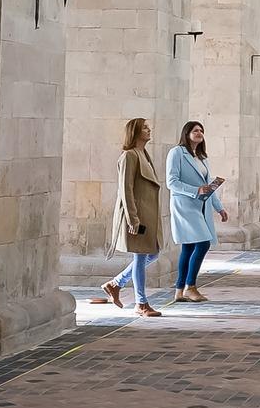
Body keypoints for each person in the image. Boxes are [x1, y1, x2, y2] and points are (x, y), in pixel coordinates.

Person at [93, 116, 163, 318]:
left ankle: (116, 283)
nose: (149, 130)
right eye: (145, 128)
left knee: (153, 253)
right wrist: (133, 218)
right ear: (135, 132)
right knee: (140, 256)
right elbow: (126, 189)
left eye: (148, 127)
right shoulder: (129, 156)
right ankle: (141, 303)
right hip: (138, 213)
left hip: (148, 213)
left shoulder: (144, 154)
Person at [166, 119, 228, 303]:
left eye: (201, 130)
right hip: (184, 205)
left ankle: (179, 290)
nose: (199, 133)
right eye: (195, 130)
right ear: (187, 134)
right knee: (203, 244)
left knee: (188, 246)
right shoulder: (177, 153)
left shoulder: (202, 157)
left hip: (201, 205)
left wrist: (220, 208)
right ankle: (190, 287)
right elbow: (172, 182)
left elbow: (208, 186)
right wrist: (195, 190)